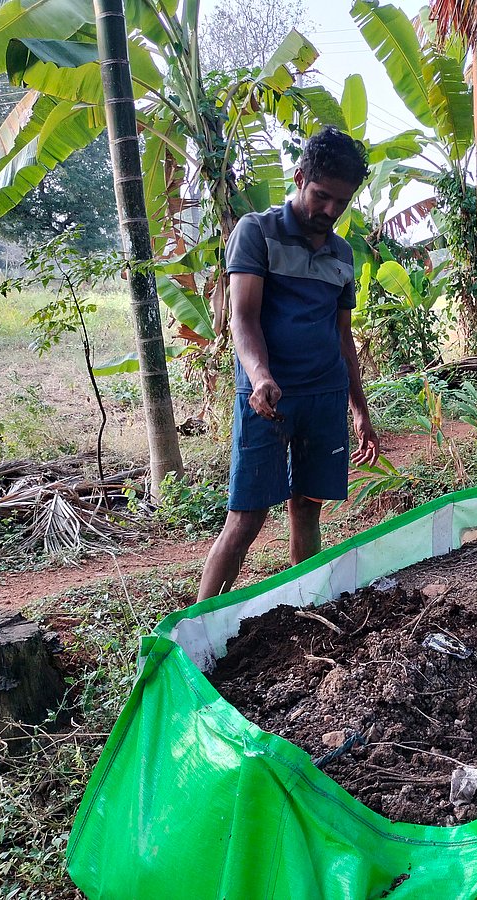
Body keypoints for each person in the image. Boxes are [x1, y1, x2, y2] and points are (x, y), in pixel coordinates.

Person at [197, 127, 379, 602]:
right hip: (268, 400)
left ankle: (305, 606)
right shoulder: (256, 232)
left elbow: (343, 337)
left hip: (324, 396)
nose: (330, 211)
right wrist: (260, 378)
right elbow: (242, 318)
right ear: (299, 179)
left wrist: (359, 409)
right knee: (247, 517)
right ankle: (197, 625)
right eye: (321, 197)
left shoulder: (341, 254)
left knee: (307, 505)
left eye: (342, 201)